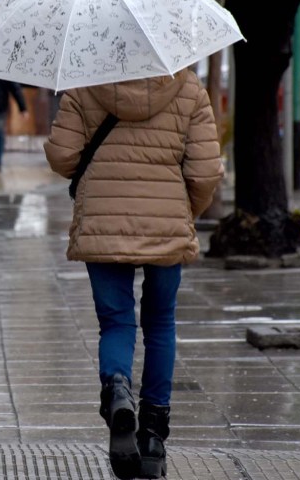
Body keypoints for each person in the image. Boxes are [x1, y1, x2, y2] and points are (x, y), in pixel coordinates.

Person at [43, 71, 223, 480]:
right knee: (160, 324)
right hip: (166, 225)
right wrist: (184, 212)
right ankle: (154, 437)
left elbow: (62, 156)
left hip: (104, 221)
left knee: (116, 322)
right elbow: (205, 172)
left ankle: (118, 389)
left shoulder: (85, 82)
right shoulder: (189, 87)